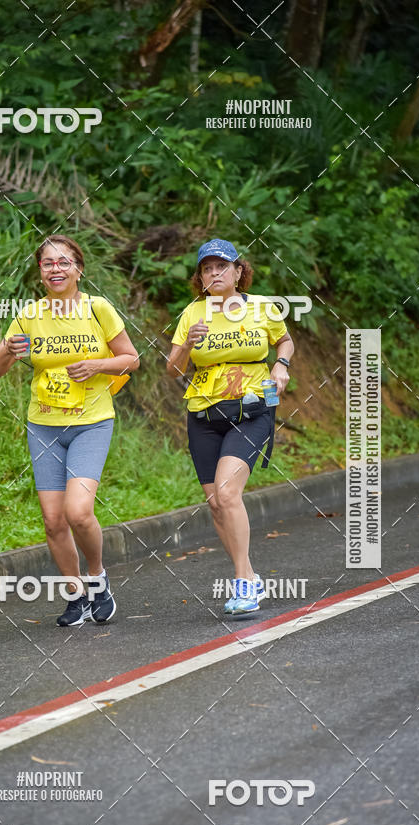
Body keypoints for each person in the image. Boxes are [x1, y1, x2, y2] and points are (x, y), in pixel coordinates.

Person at [0, 235, 139, 626]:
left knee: (79, 511)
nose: (56, 269)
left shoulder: (97, 308)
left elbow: (131, 359)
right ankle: (76, 596)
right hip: (44, 424)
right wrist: (7, 350)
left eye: (64, 262)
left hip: (90, 422)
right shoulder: (28, 315)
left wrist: (96, 366)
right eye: (48, 263)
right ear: (40, 272)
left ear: (78, 269)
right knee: (53, 520)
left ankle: (98, 577)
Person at [167, 238, 295, 617]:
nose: (214, 273)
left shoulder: (260, 307)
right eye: (207, 269)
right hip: (203, 415)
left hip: (252, 411)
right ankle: (251, 575)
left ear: (240, 271)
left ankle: (243, 583)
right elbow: (172, 369)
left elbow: (284, 341)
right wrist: (186, 346)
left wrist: (281, 365)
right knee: (216, 505)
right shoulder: (193, 314)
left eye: (222, 266)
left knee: (226, 492)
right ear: (200, 278)